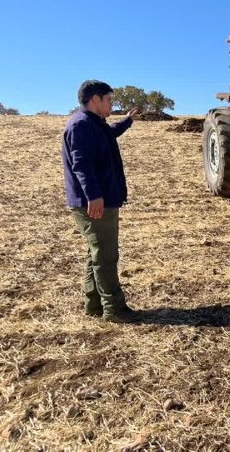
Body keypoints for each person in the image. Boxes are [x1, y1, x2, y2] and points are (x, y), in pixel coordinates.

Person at [62, 80, 140, 323]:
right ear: (95, 99)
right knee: (106, 255)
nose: (111, 104)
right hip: (95, 202)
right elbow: (81, 164)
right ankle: (114, 309)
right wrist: (93, 196)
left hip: (100, 198)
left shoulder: (95, 124)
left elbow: (110, 133)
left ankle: (93, 304)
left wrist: (127, 121)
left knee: (96, 252)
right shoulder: (81, 125)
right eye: (109, 99)